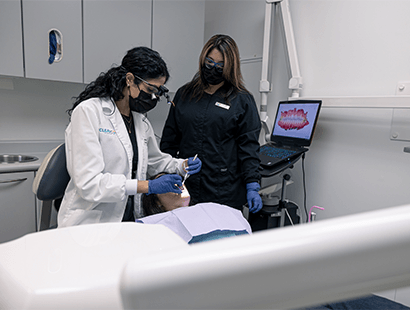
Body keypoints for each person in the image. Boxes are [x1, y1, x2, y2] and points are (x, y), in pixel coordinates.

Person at [57, 47, 202, 227]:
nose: (153, 97)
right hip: (91, 221)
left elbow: (154, 162)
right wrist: (148, 186)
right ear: (130, 79)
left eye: (158, 91)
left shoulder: (140, 121)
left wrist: (182, 165)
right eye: (150, 89)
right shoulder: (89, 112)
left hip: (129, 217)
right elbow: (89, 183)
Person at [160, 34, 262, 214]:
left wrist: (252, 185)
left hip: (224, 189)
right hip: (186, 185)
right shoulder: (185, 94)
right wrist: (163, 174)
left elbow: (249, 147)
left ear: (230, 67)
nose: (213, 68)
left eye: (220, 65)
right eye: (209, 62)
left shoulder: (242, 100)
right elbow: (169, 140)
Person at [139, 173, 252, 244]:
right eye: (167, 183)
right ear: (157, 202)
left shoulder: (210, 208)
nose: (176, 185)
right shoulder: (157, 227)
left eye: (176, 181)